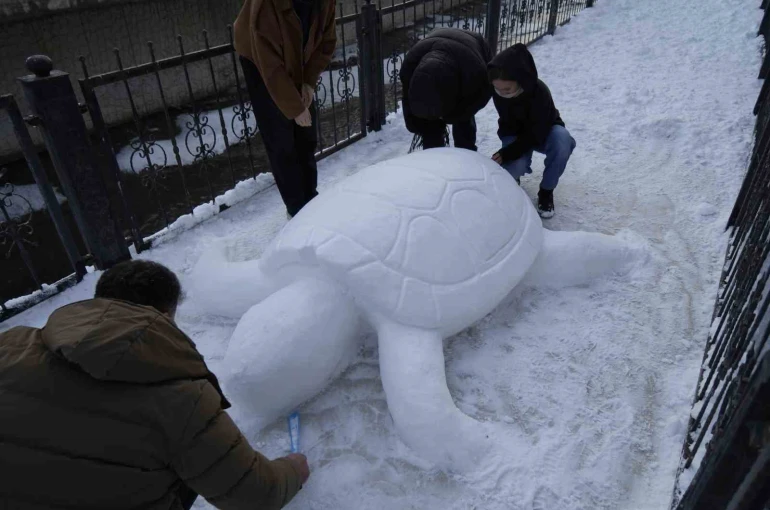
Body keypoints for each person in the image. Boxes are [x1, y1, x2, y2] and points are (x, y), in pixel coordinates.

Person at [0, 260, 309, 510]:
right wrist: (294, 467)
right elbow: (257, 496)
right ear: (164, 315)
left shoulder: (11, 344)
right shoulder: (180, 398)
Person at [233, 0, 337, 218]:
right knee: (281, 139)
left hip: (294, 51)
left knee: (306, 133)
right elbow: (270, 65)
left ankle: (310, 196)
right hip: (260, 60)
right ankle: (296, 209)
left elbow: (326, 41)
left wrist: (308, 82)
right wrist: (295, 108)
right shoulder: (266, 7)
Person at [488, 43, 576, 219]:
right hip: (514, 133)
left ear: (521, 80)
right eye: (497, 89)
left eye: (507, 89)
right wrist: (511, 153)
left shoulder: (539, 92)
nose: (502, 93)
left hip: (545, 131)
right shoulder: (499, 92)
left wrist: (510, 151)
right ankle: (513, 181)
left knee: (563, 141)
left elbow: (538, 131)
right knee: (513, 167)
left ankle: (546, 191)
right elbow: (508, 125)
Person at [399, 27, 492, 151]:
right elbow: (408, 105)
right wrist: (420, 125)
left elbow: (479, 99)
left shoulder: (476, 73)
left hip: (472, 49)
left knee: (463, 122)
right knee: (430, 121)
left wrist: (451, 117)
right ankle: (433, 154)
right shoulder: (409, 68)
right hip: (437, 43)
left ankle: (466, 153)